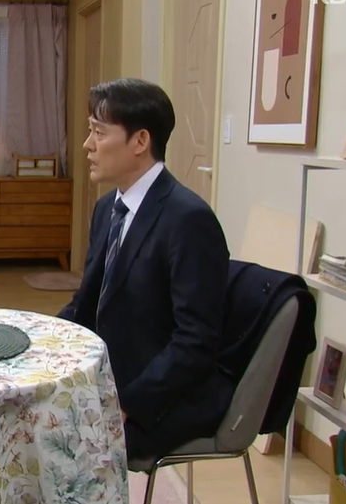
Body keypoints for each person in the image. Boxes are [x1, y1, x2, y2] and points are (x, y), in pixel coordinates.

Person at [58, 78, 233, 461]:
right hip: (113, 377)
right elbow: (85, 305)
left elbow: (195, 342)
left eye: (99, 133)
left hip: (163, 398)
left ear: (139, 141)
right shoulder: (107, 208)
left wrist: (127, 404)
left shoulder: (188, 220)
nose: (87, 144)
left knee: (52, 441)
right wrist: (39, 342)